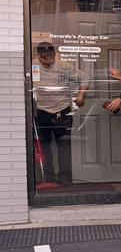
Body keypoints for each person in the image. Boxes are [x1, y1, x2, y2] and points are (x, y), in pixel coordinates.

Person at [32, 42, 86, 187]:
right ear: (39, 56)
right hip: (41, 111)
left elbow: (84, 78)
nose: (47, 60)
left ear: (55, 54)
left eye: (50, 57)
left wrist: (81, 96)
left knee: (64, 145)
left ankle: (65, 180)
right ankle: (48, 179)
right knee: (44, 146)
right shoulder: (32, 66)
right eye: (44, 58)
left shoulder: (64, 67)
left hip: (62, 110)